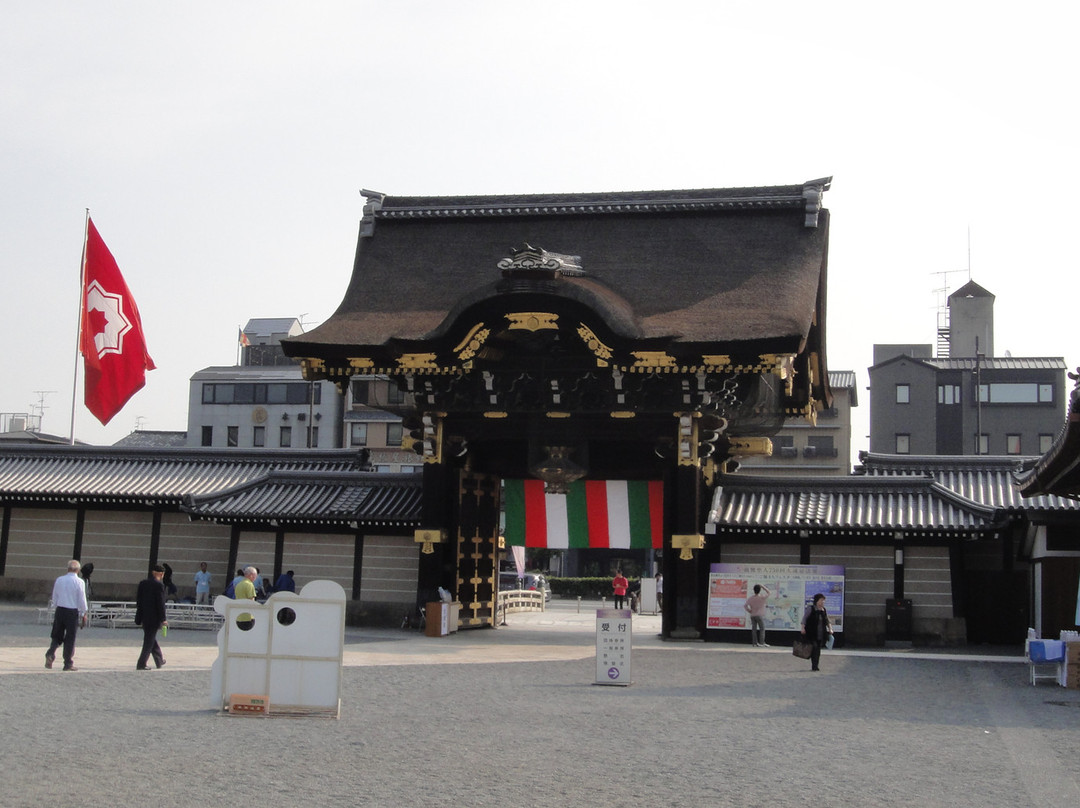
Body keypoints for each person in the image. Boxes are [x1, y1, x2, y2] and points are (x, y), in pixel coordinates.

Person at [46, 559, 89, 671]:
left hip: (60, 610)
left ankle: (50, 653)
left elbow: (54, 596)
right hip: (72, 612)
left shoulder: (59, 580)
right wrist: (84, 612)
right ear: (78, 570)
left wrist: (55, 606)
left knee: (57, 635)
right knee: (70, 638)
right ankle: (68, 663)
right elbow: (82, 599)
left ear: (68, 568)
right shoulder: (79, 582)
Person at [135, 565, 168, 670]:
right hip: (154, 618)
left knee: (151, 638)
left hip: (144, 616)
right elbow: (160, 604)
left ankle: (159, 660)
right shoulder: (159, 586)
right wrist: (163, 619)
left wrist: (139, 615)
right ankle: (141, 663)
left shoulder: (142, 583)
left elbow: (139, 601)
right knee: (149, 641)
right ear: (161, 574)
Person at [800, 593, 833, 672]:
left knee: (818, 650)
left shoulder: (823, 610)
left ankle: (815, 665)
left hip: (820, 633)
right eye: (821, 600)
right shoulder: (811, 609)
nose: (822, 602)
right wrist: (802, 628)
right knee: (814, 647)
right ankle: (814, 665)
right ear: (817, 601)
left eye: (823, 601)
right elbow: (804, 619)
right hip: (811, 632)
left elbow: (827, 620)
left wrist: (830, 629)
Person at [234, 566, 258, 630]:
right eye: (255, 575)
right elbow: (251, 601)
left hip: (239, 616)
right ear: (251, 575)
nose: (255, 578)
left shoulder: (239, 584)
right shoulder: (249, 585)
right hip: (248, 617)